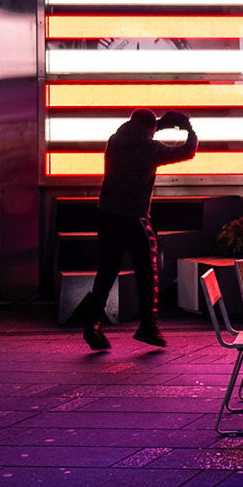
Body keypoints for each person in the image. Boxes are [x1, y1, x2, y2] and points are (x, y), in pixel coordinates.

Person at [67, 109, 198, 350]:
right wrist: (188, 129)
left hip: (107, 215)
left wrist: (156, 125)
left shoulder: (114, 141)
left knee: (106, 271)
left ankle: (93, 324)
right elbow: (187, 151)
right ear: (150, 129)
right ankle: (148, 325)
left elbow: (141, 131)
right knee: (147, 271)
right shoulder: (151, 150)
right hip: (134, 217)